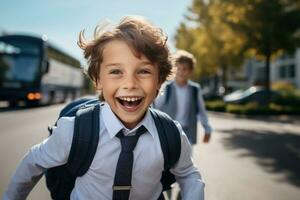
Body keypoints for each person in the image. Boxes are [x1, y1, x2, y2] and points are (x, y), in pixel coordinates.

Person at [3, 16, 205, 200]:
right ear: (98, 80)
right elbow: (33, 161)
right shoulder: (75, 130)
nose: (130, 84)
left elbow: (188, 173)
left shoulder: (170, 134)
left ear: (159, 81)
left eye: (143, 71)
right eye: (116, 71)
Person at [154, 50, 212, 145]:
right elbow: (155, 108)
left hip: (187, 133)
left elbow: (202, 111)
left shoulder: (195, 90)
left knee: (186, 159)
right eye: (178, 68)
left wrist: (207, 128)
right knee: (169, 159)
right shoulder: (166, 88)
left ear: (190, 71)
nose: (181, 72)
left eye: (184, 69)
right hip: (168, 132)